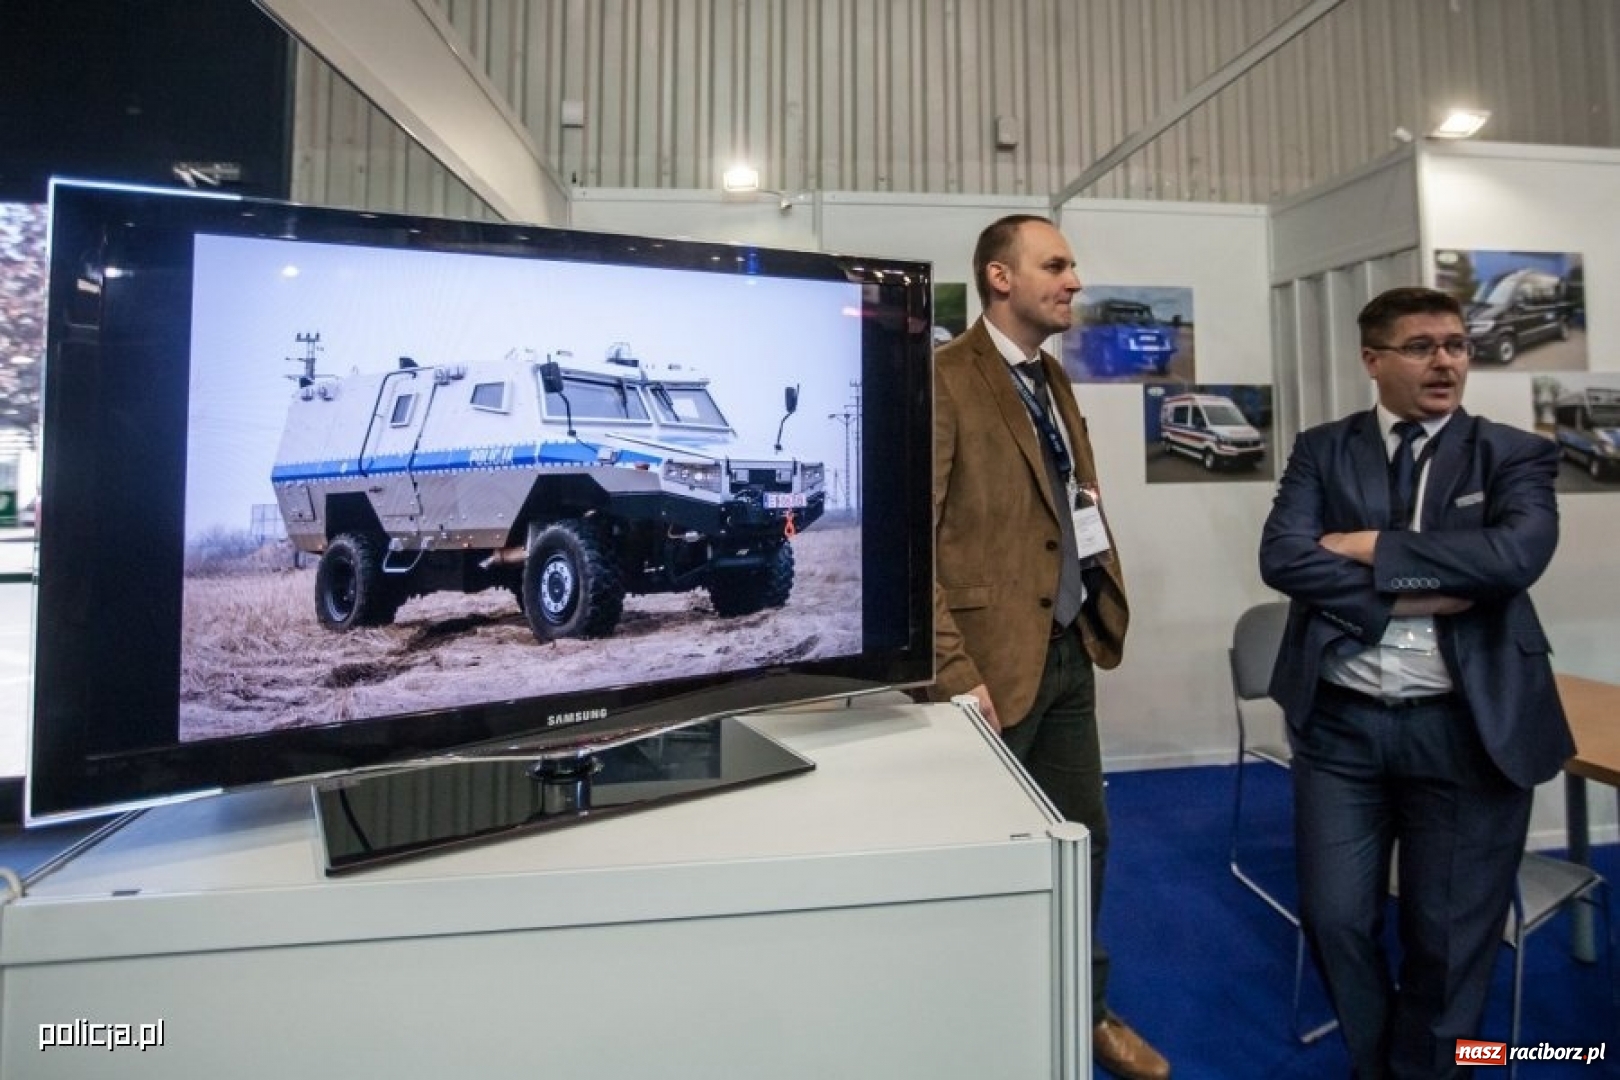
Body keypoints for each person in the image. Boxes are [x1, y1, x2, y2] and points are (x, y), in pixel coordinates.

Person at [1259, 286, 1574, 1079]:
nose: (1445, 361)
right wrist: (1426, 584)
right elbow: (1284, 556)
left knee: (1447, 940)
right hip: (1342, 727)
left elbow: (1514, 560)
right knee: (1334, 918)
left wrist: (1370, 546)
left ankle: (1427, 1070)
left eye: (1457, 345)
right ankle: (1380, 1063)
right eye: (1421, 346)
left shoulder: (1515, 454)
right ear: (1373, 360)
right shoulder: (1322, 449)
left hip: (1469, 728)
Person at [930, 214, 1169, 1080]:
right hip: (984, 669)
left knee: (1083, 840)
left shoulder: (1051, 379)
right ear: (1000, 277)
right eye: (1056, 265)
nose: (1074, 280)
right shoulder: (948, 380)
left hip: (1067, 648)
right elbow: (913, 542)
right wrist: (957, 672)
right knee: (980, 856)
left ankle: (1083, 1008)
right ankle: (974, 1023)